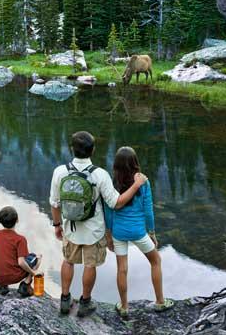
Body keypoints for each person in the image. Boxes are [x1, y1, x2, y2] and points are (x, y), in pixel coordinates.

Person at [50, 131, 147, 317]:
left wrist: (57, 225)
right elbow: (116, 203)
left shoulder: (60, 172)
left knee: (68, 261)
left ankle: (64, 299)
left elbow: (55, 203)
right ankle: (85, 302)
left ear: (72, 149)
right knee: (90, 265)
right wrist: (136, 186)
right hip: (94, 231)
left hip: (70, 229)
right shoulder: (100, 174)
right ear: (92, 150)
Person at [105, 146, 173, 315]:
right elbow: (148, 210)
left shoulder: (112, 183)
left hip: (119, 232)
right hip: (138, 232)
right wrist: (152, 233)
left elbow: (108, 212)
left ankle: (124, 307)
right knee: (156, 261)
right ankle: (159, 302)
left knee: (122, 269)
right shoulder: (143, 182)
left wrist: (109, 235)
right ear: (135, 162)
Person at [0, 205, 42, 296]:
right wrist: (34, 272)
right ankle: (25, 285)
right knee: (35, 257)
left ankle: (3, 286)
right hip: (14, 276)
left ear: (0, 221)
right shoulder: (20, 239)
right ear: (17, 220)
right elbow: (21, 262)